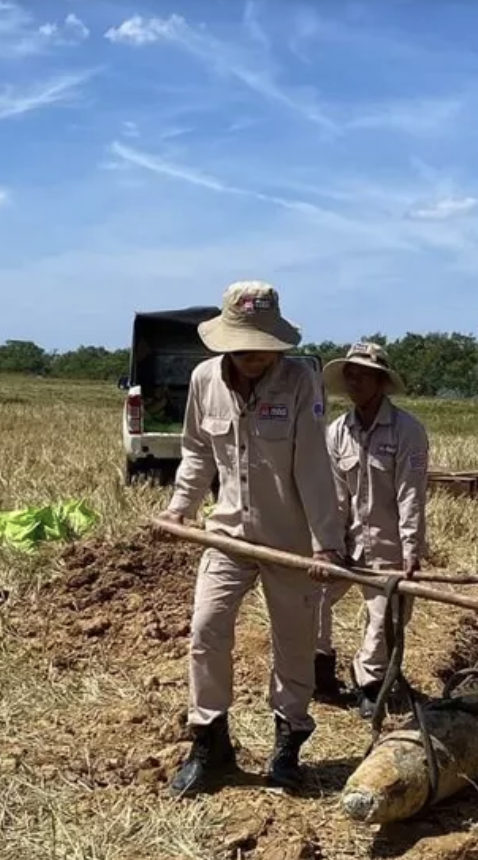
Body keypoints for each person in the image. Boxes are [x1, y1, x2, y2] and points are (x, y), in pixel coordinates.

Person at [157, 281, 345, 797]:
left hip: (288, 539)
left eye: (264, 346)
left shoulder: (301, 381)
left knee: (294, 641)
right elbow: (196, 451)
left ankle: (288, 739)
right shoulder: (204, 381)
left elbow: (313, 465)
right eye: (245, 345)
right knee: (207, 629)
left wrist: (327, 541)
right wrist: (181, 507)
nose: (255, 357)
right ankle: (210, 740)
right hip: (229, 535)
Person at [312, 341, 430, 717]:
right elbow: (332, 495)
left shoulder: (408, 432)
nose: (355, 381)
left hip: (389, 547)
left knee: (384, 619)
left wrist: (412, 550)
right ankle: (320, 669)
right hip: (346, 543)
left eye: (363, 375)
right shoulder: (337, 433)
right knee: (311, 596)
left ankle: (370, 683)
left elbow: (411, 494)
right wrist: (326, 545)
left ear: (381, 382)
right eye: (350, 374)